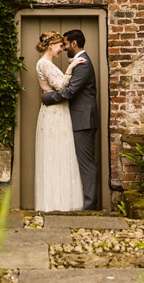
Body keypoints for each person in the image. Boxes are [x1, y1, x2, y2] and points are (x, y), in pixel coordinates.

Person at [41, 28, 100, 210]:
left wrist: (48, 98)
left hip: (83, 121)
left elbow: (71, 91)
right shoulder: (79, 62)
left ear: (74, 43)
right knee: (82, 162)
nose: (64, 47)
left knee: (86, 164)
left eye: (65, 43)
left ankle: (90, 206)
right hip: (78, 120)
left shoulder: (83, 64)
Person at [34, 31, 85, 211]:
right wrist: (71, 68)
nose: (62, 49)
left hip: (58, 111)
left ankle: (64, 202)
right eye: (60, 46)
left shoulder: (47, 63)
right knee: (55, 154)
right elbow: (61, 85)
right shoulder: (44, 63)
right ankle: (55, 203)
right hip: (54, 113)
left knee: (61, 153)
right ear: (51, 46)